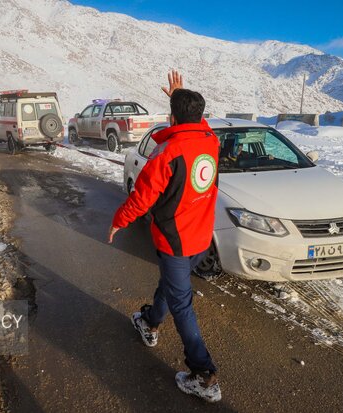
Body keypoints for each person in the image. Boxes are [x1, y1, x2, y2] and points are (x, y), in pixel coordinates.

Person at [108, 70, 221, 403]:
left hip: (176, 239)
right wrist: (179, 95)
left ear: (172, 116)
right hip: (201, 237)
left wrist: (119, 220)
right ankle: (150, 322)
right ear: (200, 115)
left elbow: (142, 198)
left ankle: (204, 374)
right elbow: (195, 124)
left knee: (182, 304)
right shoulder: (210, 140)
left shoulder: (167, 153)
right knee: (172, 286)